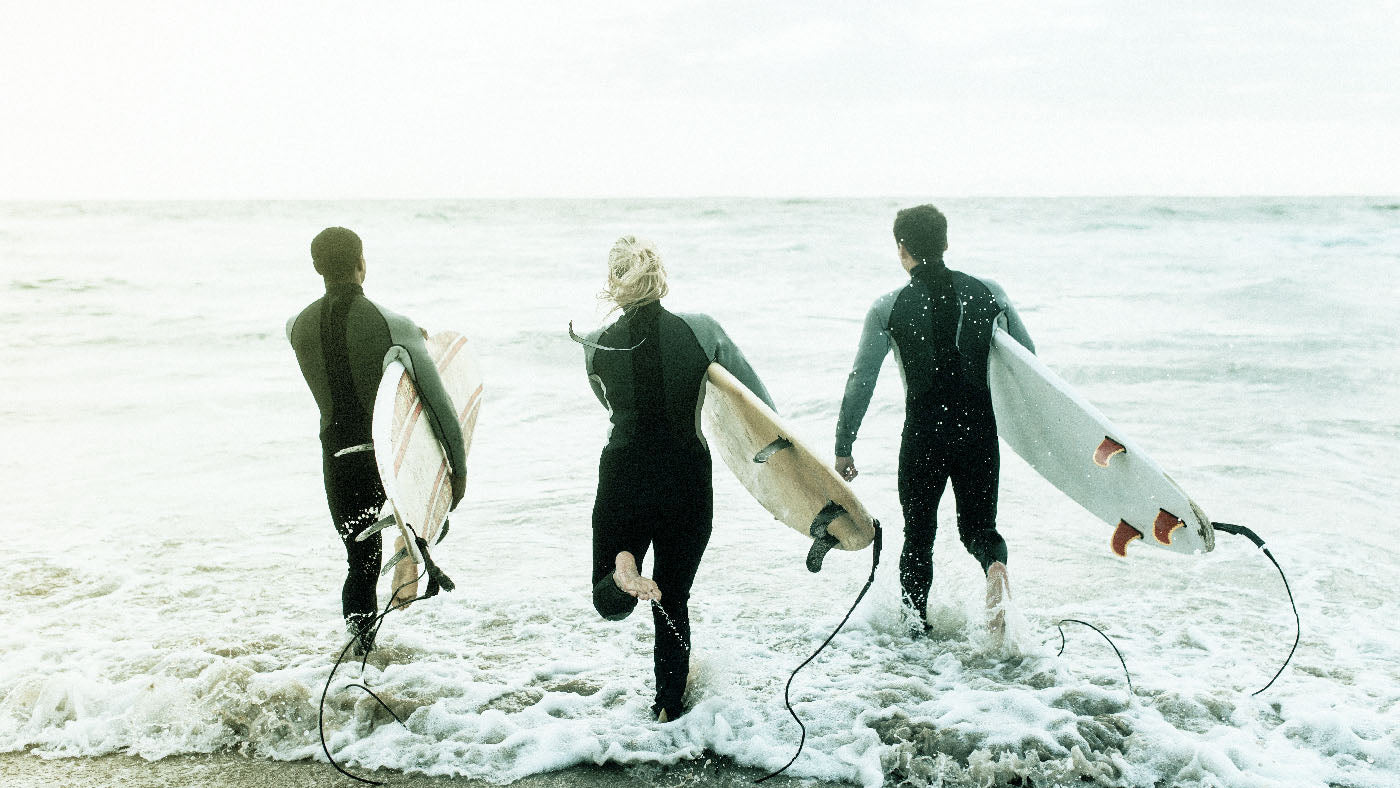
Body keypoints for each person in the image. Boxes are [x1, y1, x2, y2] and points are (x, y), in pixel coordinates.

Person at [579, 236, 774, 722]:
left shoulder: (593, 346)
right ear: (659, 275)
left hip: (622, 475)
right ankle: (668, 705)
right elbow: (759, 402)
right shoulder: (701, 330)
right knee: (673, 596)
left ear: (614, 283)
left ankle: (623, 562)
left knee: (611, 599)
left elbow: (612, 407)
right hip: (685, 476)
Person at [833, 205, 1034, 636]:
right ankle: (995, 568)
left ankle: (915, 636)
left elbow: (860, 381)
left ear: (901, 249)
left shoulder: (888, 306)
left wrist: (844, 444)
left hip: (924, 434)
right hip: (979, 430)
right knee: (981, 530)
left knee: (919, 533)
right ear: (945, 243)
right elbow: (1030, 363)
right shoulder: (989, 293)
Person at [286, 227, 466, 654]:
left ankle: (360, 652)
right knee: (427, 521)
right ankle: (411, 553)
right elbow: (439, 411)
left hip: (337, 458)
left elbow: (332, 338)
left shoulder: (296, 328)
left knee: (360, 563)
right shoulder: (394, 326)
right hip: (387, 457)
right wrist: (457, 475)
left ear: (316, 268)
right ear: (361, 264)